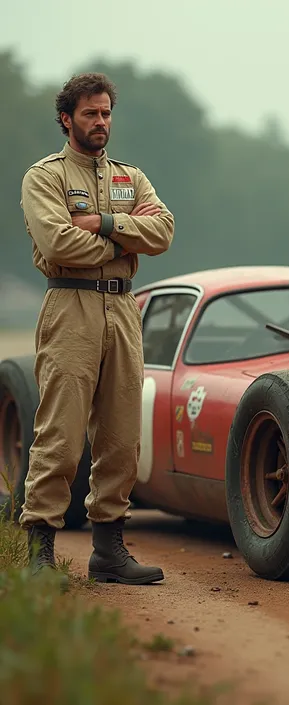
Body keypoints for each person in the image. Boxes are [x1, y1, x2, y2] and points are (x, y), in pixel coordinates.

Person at [19, 72, 175, 588]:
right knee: (61, 436)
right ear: (67, 119)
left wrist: (106, 224)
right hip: (70, 306)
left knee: (121, 437)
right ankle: (39, 553)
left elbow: (165, 231)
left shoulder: (132, 176)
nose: (101, 122)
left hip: (123, 310)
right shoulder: (44, 177)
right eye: (90, 113)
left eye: (106, 112)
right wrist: (128, 241)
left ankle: (109, 552)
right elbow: (60, 245)